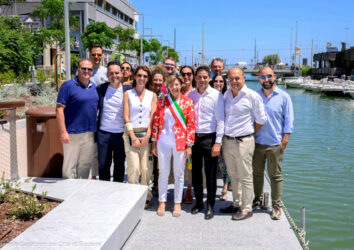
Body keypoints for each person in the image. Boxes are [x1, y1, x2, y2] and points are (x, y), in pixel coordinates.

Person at [220, 68, 267, 221]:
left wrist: (247, 131)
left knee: (245, 176)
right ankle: (236, 203)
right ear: (228, 79)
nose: (234, 81)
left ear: (244, 78)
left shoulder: (252, 96)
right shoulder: (226, 95)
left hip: (244, 142)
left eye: (237, 78)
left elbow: (261, 119)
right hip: (228, 141)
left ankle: (247, 208)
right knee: (233, 175)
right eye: (231, 79)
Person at [252, 66, 294, 220]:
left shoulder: (284, 97)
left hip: (275, 144)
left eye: (269, 76)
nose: (266, 80)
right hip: (257, 143)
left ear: (274, 76)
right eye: (263, 77)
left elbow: (289, 121)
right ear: (258, 78)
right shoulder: (255, 96)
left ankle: (276, 206)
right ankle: (257, 199)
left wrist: (285, 141)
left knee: (275, 176)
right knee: (256, 173)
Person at [151, 74, 195, 217]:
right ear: (167, 87)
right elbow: (156, 122)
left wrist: (189, 145)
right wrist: (154, 143)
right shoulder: (162, 101)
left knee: (179, 173)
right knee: (163, 172)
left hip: (180, 142)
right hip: (163, 141)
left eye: (177, 84)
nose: (174, 87)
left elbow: (191, 125)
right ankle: (162, 201)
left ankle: (177, 202)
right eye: (171, 85)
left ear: (181, 85)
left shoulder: (188, 103)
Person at [188, 65, 224, 220]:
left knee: (210, 174)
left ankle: (210, 205)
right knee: (195, 172)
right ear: (195, 78)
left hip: (210, 138)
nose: (202, 80)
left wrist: (218, 142)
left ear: (209, 78)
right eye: (199, 77)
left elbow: (220, 120)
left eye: (205, 77)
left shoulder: (216, 95)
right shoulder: (191, 95)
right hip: (194, 138)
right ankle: (199, 203)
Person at [56, 59, 98, 179]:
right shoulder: (68, 86)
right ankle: (68, 193)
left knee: (85, 165)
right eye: (83, 68)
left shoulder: (93, 87)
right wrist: (63, 132)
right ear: (77, 70)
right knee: (70, 167)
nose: (86, 71)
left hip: (90, 133)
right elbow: (59, 109)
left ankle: (82, 192)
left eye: (89, 69)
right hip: (72, 133)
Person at [123, 66, 157, 209]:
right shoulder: (128, 94)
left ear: (147, 78)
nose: (142, 78)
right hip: (131, 133)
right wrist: (132, 136)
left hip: (146, 135)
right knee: (133, 168)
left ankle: (146, 197)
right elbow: (126, 116)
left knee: (146, 169)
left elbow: (152, 118)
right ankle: (132, 196)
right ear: (134, 77)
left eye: (145, 76)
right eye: (139, 75)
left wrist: (148, 136)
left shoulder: (152, 95)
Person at [96, 61, 132, 182]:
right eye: (111, 73)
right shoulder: (101, 89)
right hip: (104, 133)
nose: (114, 76)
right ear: (107, 74)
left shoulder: (129, 91)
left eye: (117, 73)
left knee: (120, 165)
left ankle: (118, 192)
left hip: (121, 134)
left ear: (122, 74)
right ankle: (104, 190)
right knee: (103, 165)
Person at [148, 66, 168, 196]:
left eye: (160, 80)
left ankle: (156, 184)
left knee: (157, 161)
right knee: (147, 162)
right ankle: (147, 186)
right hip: (146, 130)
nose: (158, 82)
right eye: (155, 80)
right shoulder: (145, 92)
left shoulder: (164, 95)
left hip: (159, 132)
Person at [210, 74, 229, 200]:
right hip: (212, 133)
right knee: (214, 161)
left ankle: (225, 187)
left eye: (221, 81)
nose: (218, 83)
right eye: (216, 81)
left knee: (225, 162)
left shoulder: (228, 96)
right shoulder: (210, 95)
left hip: (226, 133)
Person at [180, 65, 196, 203]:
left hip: (192, 134)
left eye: (189, 74)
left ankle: (189, 188)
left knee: (190, 164)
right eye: (183, 74)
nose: (186, 77)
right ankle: (179, 189)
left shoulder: (196, 92)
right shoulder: (175, 91)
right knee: (179, 164)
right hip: (177, 135)